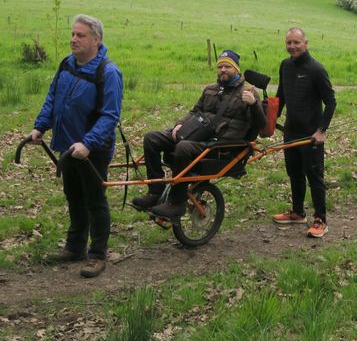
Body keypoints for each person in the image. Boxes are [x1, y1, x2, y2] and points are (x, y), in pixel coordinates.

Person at [29, 14, 123, 278]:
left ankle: (97, 255)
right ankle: (75, 247)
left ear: (96, 39)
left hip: (93, 150)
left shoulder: (109, 73)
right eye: (73, 34)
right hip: (67, 145)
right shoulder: (67, 64)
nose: (73, 39)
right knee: (74, 196)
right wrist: (40, 126)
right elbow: (52, 96)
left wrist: (88, 143)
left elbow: (110, 116)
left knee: (95, 200)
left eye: (80, 35)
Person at [132, 50, 265, 218]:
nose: (223, 70)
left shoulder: (249, 93)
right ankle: (155, 192)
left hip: (221, 145)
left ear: (237, 69)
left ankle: (176, 202)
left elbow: (261, 125)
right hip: (198, 134)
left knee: (183, 147)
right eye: (220, 66)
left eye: (228, 67)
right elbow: (195, 111)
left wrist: (253, 105)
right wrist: (179, 124)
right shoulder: (210, 89)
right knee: (152, 138)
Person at [272, 27, 336, 238]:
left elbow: (331, 102)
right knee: (294, 173)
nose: (292, 46)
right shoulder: (285, 65)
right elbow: (281, 95)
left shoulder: (316, 69)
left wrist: (321, 131)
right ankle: (298, 213)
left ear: (305, 43)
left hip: (311, 135)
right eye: (289, 42)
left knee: (314, 177)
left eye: (296, 43)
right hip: (290, 131)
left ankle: (321, 219)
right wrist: (271, 120)